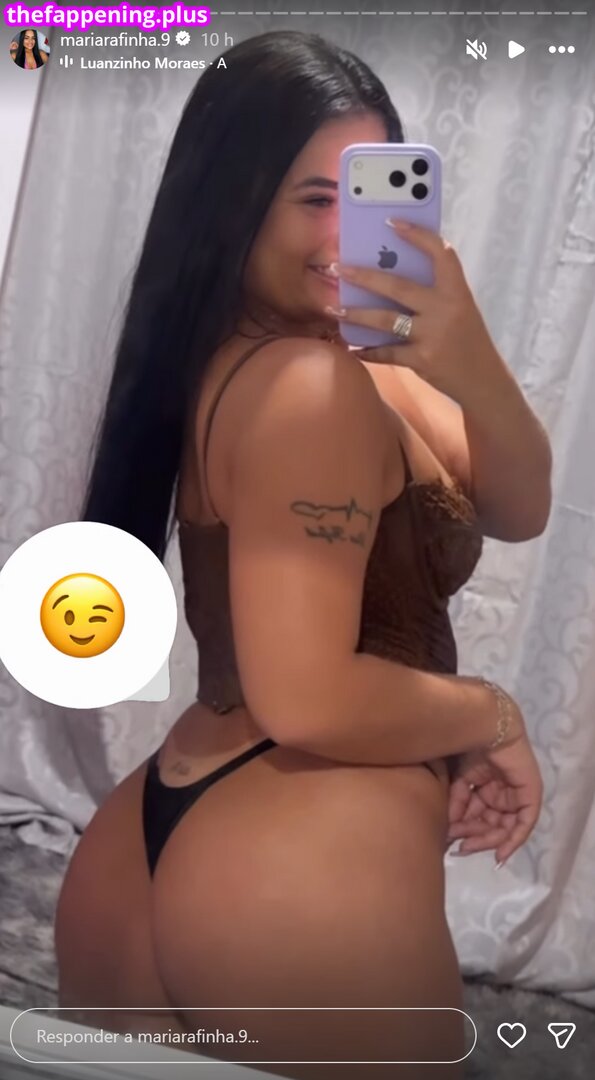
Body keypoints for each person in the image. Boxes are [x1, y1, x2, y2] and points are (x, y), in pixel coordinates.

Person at [54, 30, 548, 1079]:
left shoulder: (325, 364)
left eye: (361, 198)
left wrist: (471, 363)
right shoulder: (311, 388)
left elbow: (518, 507)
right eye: (311, 199)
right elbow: (308, 699)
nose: (341, 234)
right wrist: (489, 715)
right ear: (233, 202)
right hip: (296, 875)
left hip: (149, 848)